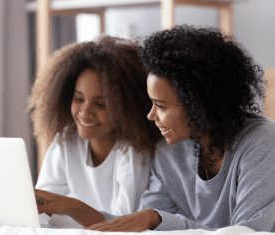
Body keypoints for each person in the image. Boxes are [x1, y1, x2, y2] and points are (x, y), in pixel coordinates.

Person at [87, 25, 275, 232]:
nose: (151, 116)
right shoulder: (168, 151)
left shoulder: (262, 142)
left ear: (199, 104)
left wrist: (157, 220)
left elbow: (250, 232)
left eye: (160, 105)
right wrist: (71, 208)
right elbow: (144, 226)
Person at [28, 36, 162, 228]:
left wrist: (71, 207)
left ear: (126, 107)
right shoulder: (67, 139)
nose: (85, 113)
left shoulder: (133, 151)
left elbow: (123, 224)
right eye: (79, 99)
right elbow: (40, 210)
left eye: (101, 104)